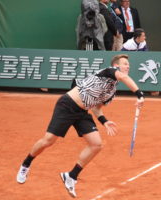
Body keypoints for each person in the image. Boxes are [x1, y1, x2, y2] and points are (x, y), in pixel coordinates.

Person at [16, 54, 145, 198]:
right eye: (125, 63)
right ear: (116, 66)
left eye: (128, 64)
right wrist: (139, 94)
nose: (128, 66)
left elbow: (96, 108)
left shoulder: (112, 91)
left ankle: (71, 176)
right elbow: (124, 78)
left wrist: (104, 121)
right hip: (67, 105)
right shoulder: (108, 71)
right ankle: (26, 164)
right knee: (49, 140)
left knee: (96, 144)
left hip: (82, 112)